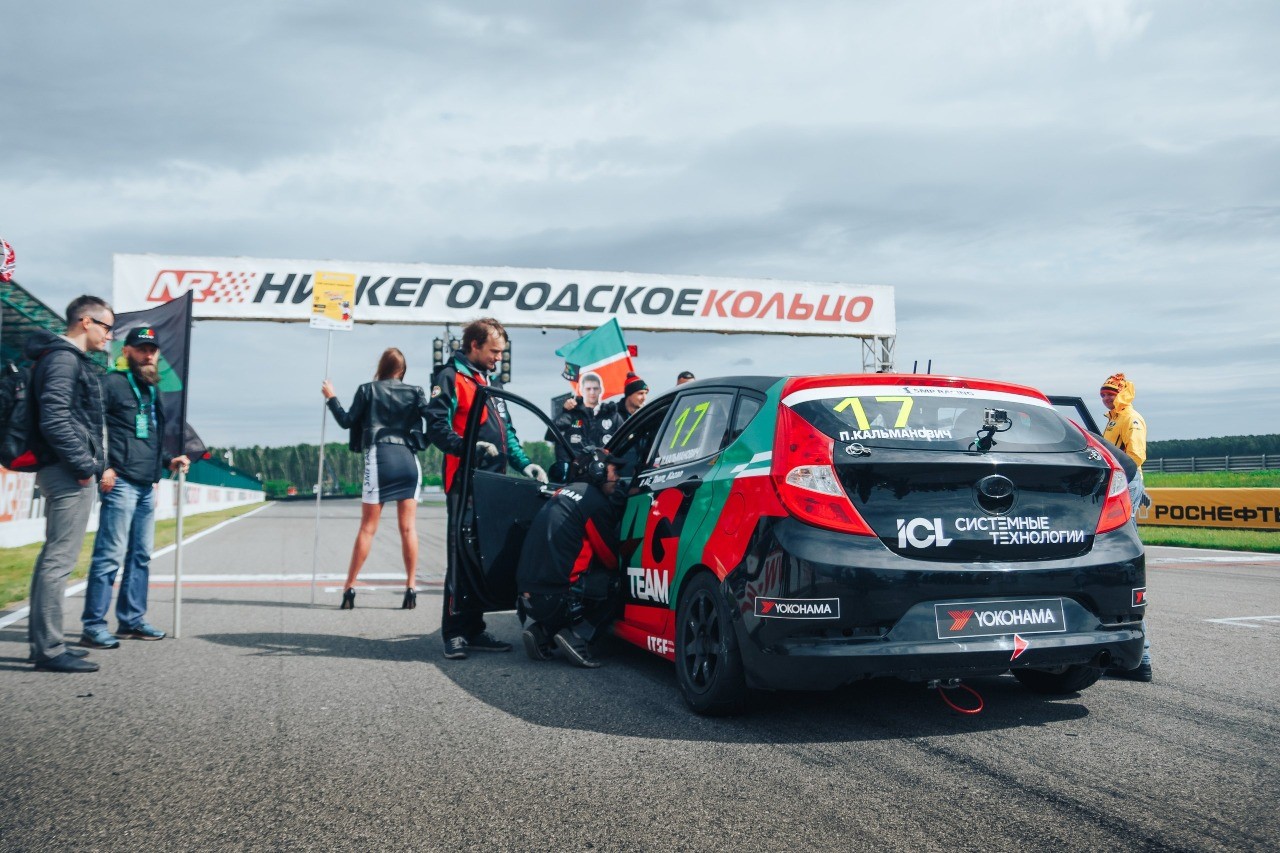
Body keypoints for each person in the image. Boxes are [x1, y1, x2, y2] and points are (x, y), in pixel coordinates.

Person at [427, 317, 547, 660]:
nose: (498, 358)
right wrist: (469, 447)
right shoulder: (449, 377)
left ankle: (474, 628)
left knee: (483, 556)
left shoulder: (489, 382)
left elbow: (507, 430)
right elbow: (436, 427)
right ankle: (454, 632)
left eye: (501, 352)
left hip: (493, 485)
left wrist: (525, 463)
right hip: (464, 482)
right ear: (474, 345)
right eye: (494, 351)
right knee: (461, 557)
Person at [79, 326, 191, 649]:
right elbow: (92, 427)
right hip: (120, 481)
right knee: (109, 556)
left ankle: (131, 620)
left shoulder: (151, 389)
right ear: (126, 351)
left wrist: (168, 460)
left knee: (140, 556)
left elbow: (150, 436)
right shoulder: (111, 383)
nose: (148, 355)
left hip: (146, 484)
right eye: (142, 349)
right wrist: (103, 466)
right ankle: (93, 625)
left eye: (152, 350)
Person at [25, 295, 113, 673]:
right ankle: (49, 650)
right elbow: (55, 418)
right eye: (107, 327)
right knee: (58, 561)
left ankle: (45, 645)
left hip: (62, 468)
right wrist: (83, 466)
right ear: (85, 321)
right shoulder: (63, 359)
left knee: (54, 558)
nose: (110, 335)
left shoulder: (63, 357)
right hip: (66, 471)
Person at [322, 347, 430, 610]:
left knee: (368, 528)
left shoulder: (367, 390)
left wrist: (331, 397)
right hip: (409, 458)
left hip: (380, 458)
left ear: (381, 367)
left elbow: (346, 421)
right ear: (402, 370)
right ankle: (411, 587)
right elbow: (434, 420)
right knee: (408, 528)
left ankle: (349, 587)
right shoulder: (416, 392)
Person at [517, 449, 624, 668]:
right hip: (557, 598)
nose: (619, 478)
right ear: (599, 471)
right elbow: (610, 559)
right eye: (615, 471)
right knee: (617, 582)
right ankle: (577, 636)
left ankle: (542, 632)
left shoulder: (562, 492)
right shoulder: (594, 502)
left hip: (527, 596)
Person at [1100, 371, 1153, 683]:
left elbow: (1134, 456)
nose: (1106, 398)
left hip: (1125, 480)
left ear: (1123, 393)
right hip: (1118, 479)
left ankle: (1140, 657)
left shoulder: (1131, 418)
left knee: (1119, 546)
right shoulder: (1111, 420)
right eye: (1104, 394)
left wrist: (1119, 481)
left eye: (1111, 393)